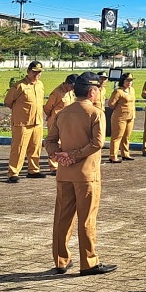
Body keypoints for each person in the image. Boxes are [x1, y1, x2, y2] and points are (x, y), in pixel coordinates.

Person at [46, 71, 117, 276]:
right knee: (87, 218)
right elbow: (97, 143)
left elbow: (49, 141)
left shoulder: (63, 113)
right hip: (86, 174)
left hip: (64, 173)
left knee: (62, 217)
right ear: (92, 91)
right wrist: (74, 155)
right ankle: (89, 262)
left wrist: (58, 156)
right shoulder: (96, 113)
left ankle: (61, 260)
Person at [4, 61, 46, 183]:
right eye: (34, 72)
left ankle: (33, 170)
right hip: (22, 123)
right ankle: (13, 172)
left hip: (37, 121)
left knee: (36, 147)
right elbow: (8, 101)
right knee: (19, 148)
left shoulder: (40, 85)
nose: (37, 74)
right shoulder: (19, 86)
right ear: (28, 71)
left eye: (39, 72)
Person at [44, 74, 78, 175]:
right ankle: (53, 166)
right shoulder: (57, 93)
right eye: (72, 85)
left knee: (66, 143)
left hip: (67, 121)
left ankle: (62, 163)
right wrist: (52, 118)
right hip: (56, 122)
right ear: (67, 83)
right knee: (54, 143)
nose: (73, 88)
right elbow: (47, 108)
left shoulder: (70, 92)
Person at [107, 73, 137, 163]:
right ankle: (113, 156)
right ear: (122, 81)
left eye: (131, 80)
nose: (129, 82)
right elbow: (111, 104)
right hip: (120, 117)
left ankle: (125, 154)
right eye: (127, 80)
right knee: (117, 137)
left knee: (126, 136)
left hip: (130, 116)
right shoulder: (118, 92)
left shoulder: (132, 90)